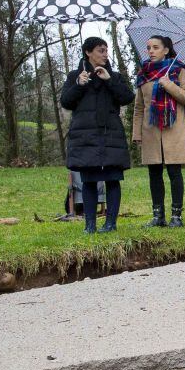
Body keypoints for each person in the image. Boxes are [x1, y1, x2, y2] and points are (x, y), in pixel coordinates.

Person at [60, 37, 135, 234]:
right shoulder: (75, 76)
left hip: (110, 135)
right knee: (89, 179)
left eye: (106, 50)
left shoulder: (114, 76)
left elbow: (127, 97)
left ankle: (111, 224)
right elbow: (66, 102)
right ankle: (90, 225)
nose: (105, 54)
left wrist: (109, 80)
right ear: (88, 52)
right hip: (85, 136)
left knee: (112, 178)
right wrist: (79, 84)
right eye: (101, 50)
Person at [133, 35, 185, 228]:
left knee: (174, 173)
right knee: (154, 173)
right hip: (150, 130)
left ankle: (176, 217)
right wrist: (136, 133)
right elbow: (139, 107)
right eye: (149, 47)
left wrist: (169, 85)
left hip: (173, 130)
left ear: (166, 50)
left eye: (155, 47)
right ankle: (158, 216)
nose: (150, 51)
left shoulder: (178, 71)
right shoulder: (144, 73)